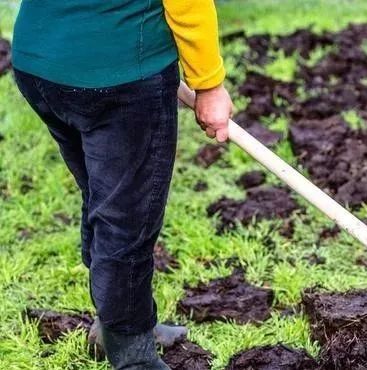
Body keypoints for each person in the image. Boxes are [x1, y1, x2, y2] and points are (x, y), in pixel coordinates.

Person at [12, 1, 233, 368]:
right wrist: (208, 84)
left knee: (104, 195)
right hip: (119, 75)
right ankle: (133, 355)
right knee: (126, 219)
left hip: (41, 64)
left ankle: (116, 323)